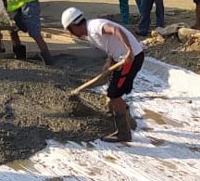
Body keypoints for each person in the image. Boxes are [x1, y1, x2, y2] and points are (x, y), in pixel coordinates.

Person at [61, 7, 144, 143]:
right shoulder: (90, 32)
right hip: (121, 59)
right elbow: (110, 43)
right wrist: (109, 60)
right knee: (113, 89)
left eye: (70, 30)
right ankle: (119, 114)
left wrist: (129, 51)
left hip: (131, 59)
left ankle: (124, 132)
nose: (72, 33)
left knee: (114, 94)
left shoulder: (95, 27)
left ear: (74, 25)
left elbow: (116, 30)